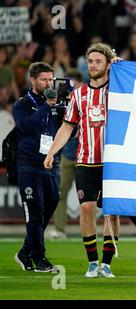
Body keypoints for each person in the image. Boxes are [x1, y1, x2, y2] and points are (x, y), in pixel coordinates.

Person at [44, 43, 120, 278]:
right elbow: (67, 128)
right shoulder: (79, 94)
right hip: (86, 161)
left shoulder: (119, 90)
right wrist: (51, 152)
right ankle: (92, 262)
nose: (93, 65)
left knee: (111, 212)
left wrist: (122, 65)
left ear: (108, 64)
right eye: (90, 61)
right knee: (86, 209)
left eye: (98, 61)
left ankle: (106, 264)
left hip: (113, 163)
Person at [13, 62, 63, 272]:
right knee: (35, 213)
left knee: (49, 207)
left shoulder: (57, 104)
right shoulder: (22, 104)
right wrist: (46, 106)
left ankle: (25, 252)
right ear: (32, 80)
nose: (48, 83)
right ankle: (39, 258)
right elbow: (25, 127)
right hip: (29, 165)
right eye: (44, 79)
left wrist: (62, 107)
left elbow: (66, 128)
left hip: (52, 164)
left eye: (50, 79)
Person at [48, 70, 84, 239]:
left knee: (93, 196)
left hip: (87, 155)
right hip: (68, 155)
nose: (70, 87)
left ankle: (92, 231)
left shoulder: (87, 100)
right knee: (60, 193)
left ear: (81, 84)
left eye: (73, 83)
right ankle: (60, 230)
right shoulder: (63, 103)